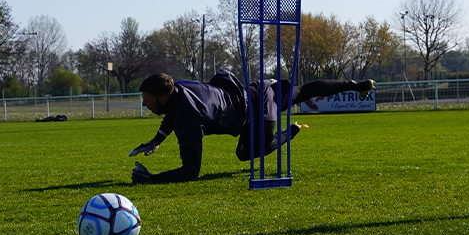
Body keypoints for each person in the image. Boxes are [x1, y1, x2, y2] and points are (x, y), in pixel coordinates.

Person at [129, 70, 373, 185]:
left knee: (246, 154)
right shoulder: (179, 87)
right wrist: (157, 139)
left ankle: (292, 131)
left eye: (147, 100)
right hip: (255, 90)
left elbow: (191, 171)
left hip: (258, 114)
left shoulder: (188, 117)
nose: (144, 104)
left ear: (162, 98)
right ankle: (355, 84)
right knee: (304, 90)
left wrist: (151, 179)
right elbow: (173, 112)